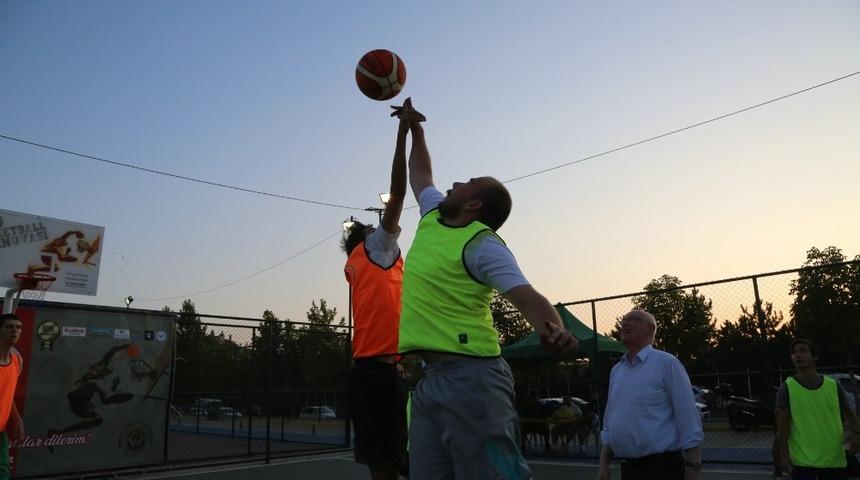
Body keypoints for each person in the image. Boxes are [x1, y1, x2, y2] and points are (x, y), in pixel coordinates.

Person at [396, 100, 578, 479]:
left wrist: (555, 329)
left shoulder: (482, 245)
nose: (456, 183)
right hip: (430, 383)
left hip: (473, 379)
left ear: (474, 203)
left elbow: (527, 297)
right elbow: (421, 175)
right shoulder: (433, 215)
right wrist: (416, 129)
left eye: (467, 183)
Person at [342, 98, 424, 480]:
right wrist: (402, 133)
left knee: (385, 463)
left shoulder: (355, 263)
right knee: (399, 461)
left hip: (372, 373)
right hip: (379, 376)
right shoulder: (376, 249)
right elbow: (398, 193)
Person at [598, 309, 704, 480]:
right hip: (628, 469)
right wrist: (603, 465)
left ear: (649, 328)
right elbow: (610, 420)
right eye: (623, 320)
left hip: (662, 470)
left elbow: (688, 417)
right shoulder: (617, 370)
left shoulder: (667, 363)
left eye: (632, 319)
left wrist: (693, 467)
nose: (624, 323)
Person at [776, 339, 860, 480]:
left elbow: (849, 414)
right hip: (803, 462)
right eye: (794, 352)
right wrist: (783, 456)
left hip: (834, 459)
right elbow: (782, 427)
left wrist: (857, 434)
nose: (797, 355)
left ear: (814, 357)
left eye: (803, 351)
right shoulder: (786, 388)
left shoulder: (833, 385)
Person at [0, 313, 24, 480]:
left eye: (18, 327)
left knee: (3, 473)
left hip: (0, 432)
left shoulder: (16, 361)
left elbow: (8, 394)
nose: (14, 330)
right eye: (9, 326)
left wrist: (17, 419)